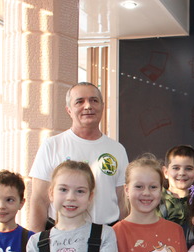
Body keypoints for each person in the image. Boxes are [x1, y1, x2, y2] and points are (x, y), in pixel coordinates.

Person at [28, 82, 129, 232]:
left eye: (94, 100)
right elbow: (39, 200)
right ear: (69, 110)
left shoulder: (117, 149)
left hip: (107, 235)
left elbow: (123, 201)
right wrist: (36, 240)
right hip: (61, 235)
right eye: (80, 101)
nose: (88, 106)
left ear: (102, 106)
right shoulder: (52, 146)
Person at [161, 144, 194, 235]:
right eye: (176, 168)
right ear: (166, 172)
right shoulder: (155, 201)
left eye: (188, 168)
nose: (182, 173)